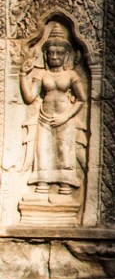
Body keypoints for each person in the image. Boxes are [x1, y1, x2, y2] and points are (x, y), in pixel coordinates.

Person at [19, 22, 88, 197]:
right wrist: (22, 75)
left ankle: (65, 184)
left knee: (64, 150)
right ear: (45, 55)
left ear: (66, 55)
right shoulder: (41, 74)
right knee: (43, 150)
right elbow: (29, 97)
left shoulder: (71, 75)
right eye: (51, 53)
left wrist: (66, 115)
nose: (55, 56)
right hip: (45, 117)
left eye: (59, 53)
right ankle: (42, 183)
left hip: (65, 117)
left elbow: (81, 99)